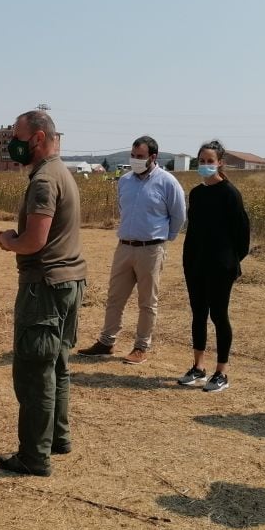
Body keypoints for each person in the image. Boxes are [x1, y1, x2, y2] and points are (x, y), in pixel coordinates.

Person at [0, 110, 87, 477]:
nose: (12, 144)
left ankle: (34, 456)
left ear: (36, 138)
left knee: (35, 371)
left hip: (44, 288)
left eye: (16, 136)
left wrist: (8, 242)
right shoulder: (60, 172)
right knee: (58, 365)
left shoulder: (44, 180)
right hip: (69, 282)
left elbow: (35, 240)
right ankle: (56, 438)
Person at [78, 136, 186, 364]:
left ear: (153, 157)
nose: (136, 160)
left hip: (151, 249)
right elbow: (121, 207)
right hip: (124, 247)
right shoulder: (124, 181)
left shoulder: (168, 182)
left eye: (140, 157)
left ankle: (141, 346)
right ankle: (106, 342)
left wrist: (166, 238)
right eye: (133, 156)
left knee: (147, 302)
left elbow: (178, 215)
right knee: (115, 298)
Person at [177, 140, 250, 393]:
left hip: (221, 267)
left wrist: (231, 262)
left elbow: (242, 236)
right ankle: (198, 367)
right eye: (202, 161)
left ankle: (221, 372)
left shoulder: (230, 193)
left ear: (220, 163)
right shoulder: (196, 194)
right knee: (198, 314)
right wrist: (189, 260)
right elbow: (194, 231)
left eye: (210, 161)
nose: (206, 165)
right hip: (195, 265)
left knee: (219, 316)